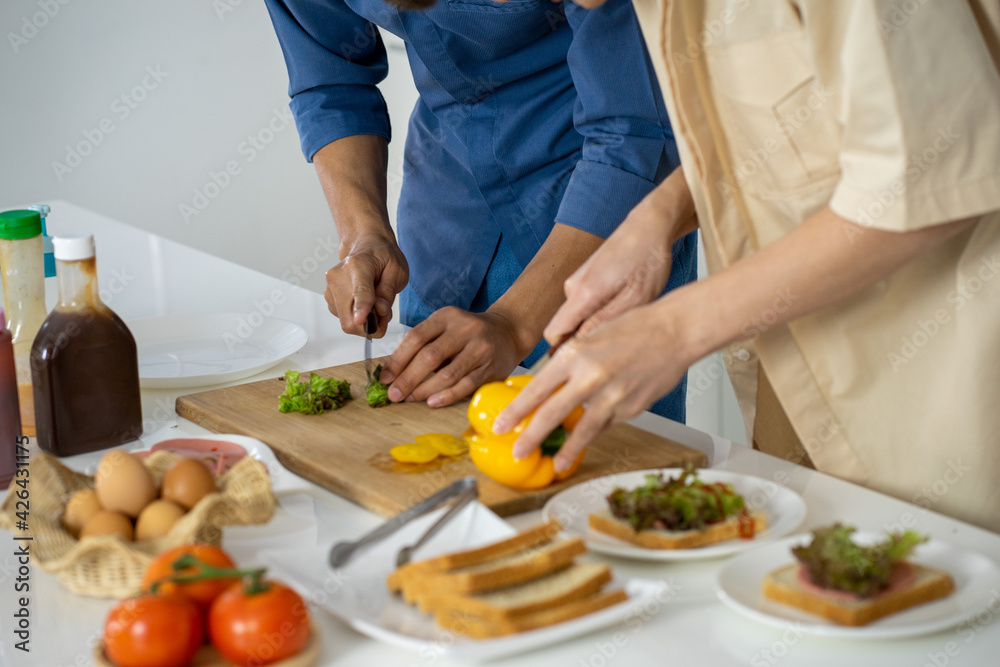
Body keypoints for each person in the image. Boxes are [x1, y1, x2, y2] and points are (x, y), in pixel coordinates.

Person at [497, 0, 1000, 533]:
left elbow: (921, 176)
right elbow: (780, 128)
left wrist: (675, 329)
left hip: (941, 398)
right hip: (797, 377)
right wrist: (659, 216)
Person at [262, 0, 697, 418]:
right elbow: (333, 83)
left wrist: (514, 325)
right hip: (444, 212)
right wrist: (363, 233)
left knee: (610, 467)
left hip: (604, 212)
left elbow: (633, 134)